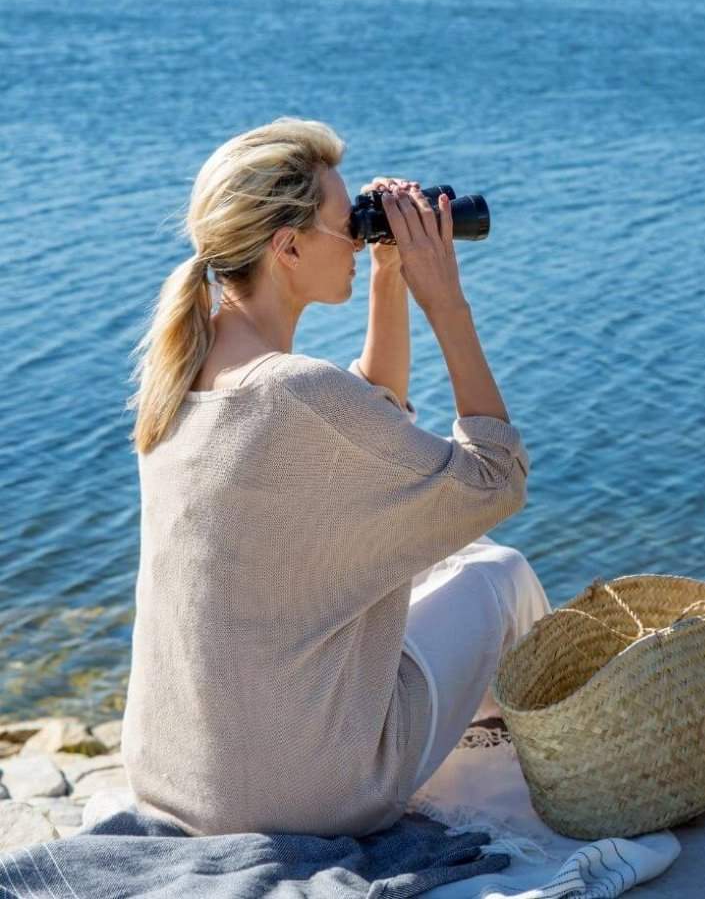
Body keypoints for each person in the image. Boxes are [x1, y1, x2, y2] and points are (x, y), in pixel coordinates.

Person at [122, 116, 552, 838]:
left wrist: (390, 273)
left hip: (177, 782)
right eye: (347, 224)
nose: (358, 239)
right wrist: (444, 300)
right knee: (498, 572)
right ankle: (560, 764)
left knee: (442, 559)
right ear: (287, 246)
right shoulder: (295, 392)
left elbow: (367, 425)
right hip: (310, 796)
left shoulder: (180, 379)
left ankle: (485, 745)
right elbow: (496, 475)